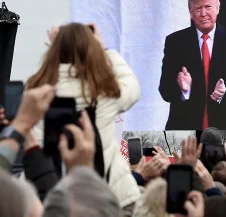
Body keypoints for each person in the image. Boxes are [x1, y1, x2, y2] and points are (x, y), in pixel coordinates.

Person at [24, 23, 142, 210]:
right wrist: (104, 49)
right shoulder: (104, 91)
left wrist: (60, 49)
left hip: (52, 198)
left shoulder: (36, 91)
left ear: (55, 51)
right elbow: (132, 87)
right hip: (110, 196)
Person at [159, 0, 226, 130]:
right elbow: (165, 90)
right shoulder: (175, 42)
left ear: (217, 7)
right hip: (184, 128)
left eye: (208, 7)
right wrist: (183, 89)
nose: (203, 13)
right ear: (190, 11)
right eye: (197, 8)